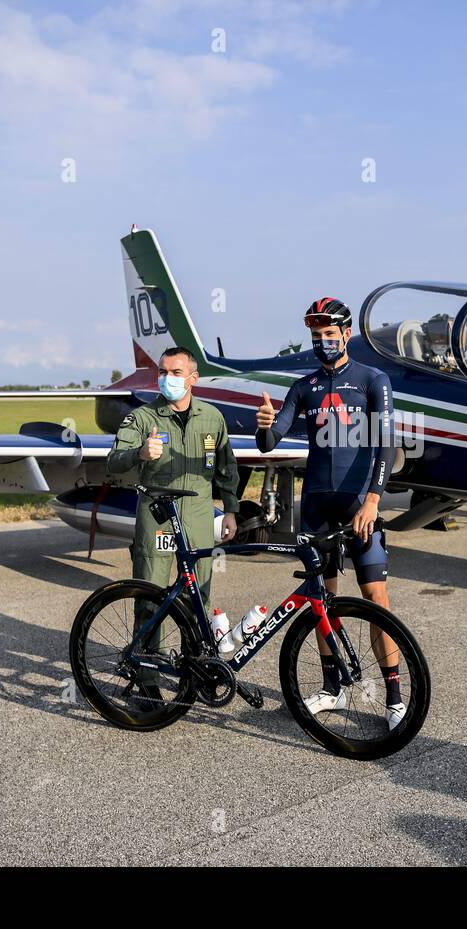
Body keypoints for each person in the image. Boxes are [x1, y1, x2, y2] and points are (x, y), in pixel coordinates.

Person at [254, 297, 405, 729]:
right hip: (317, 506)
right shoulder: (304, 387)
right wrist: (265, 424)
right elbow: (271, 442)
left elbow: (386, 445)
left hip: (360, 505)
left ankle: (394, 696)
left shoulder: (373, 380)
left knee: (377, 600)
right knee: (323, 601)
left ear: (346, 334)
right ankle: (332, 687)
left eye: (329, 335)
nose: (322, 343)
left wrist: (374, 501)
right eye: (316, 337)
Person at [107, 347, 239, 634]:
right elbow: (114, 461)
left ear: (193, 378)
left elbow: (226, 468)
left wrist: (230, 510)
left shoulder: (212, 418)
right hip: (158, 517)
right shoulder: (141, 417)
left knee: (198, 597)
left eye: (176, 373)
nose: (168, 378)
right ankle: (148, 671)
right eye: (163, 372)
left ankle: (193, 670)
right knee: (150, 597)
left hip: (199, 517)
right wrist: (139, 454)